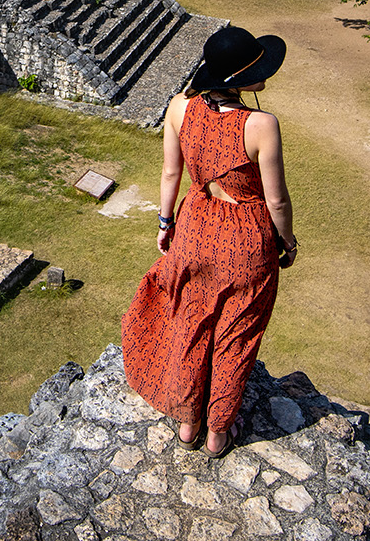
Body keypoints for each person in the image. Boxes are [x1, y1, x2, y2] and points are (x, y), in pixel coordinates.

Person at [122, 24, 297, 457]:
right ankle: (218, 431)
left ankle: (188, 422)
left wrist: (165, 223)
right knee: (237, 333)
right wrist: (288, 243)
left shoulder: (180, 107)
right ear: (239, 79)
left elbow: (170, 174)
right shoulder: (260, 124)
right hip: (247, 238)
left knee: (191, 321)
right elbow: (276, 200)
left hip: (195, 227)